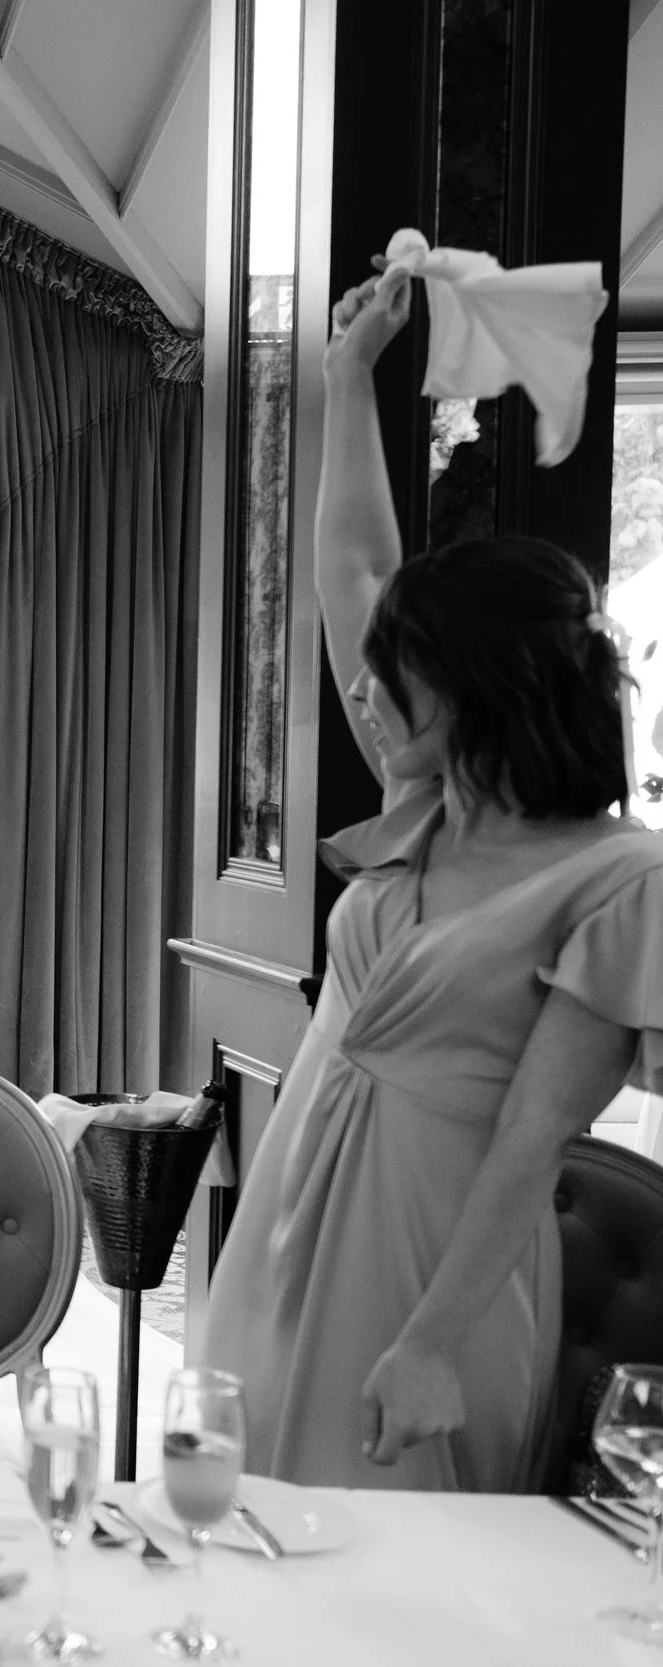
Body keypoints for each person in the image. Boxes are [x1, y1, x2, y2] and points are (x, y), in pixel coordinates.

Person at [196, 259, 663, 1489]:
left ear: (478, 694)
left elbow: (531, 1138)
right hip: (295, 1194)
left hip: (431, 1257)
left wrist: (429, 1341)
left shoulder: (619, 881)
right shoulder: (425, 805)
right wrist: (348, 377)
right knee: (246, 1538)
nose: (360, 685)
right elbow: (351, 571)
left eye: (394, 672)